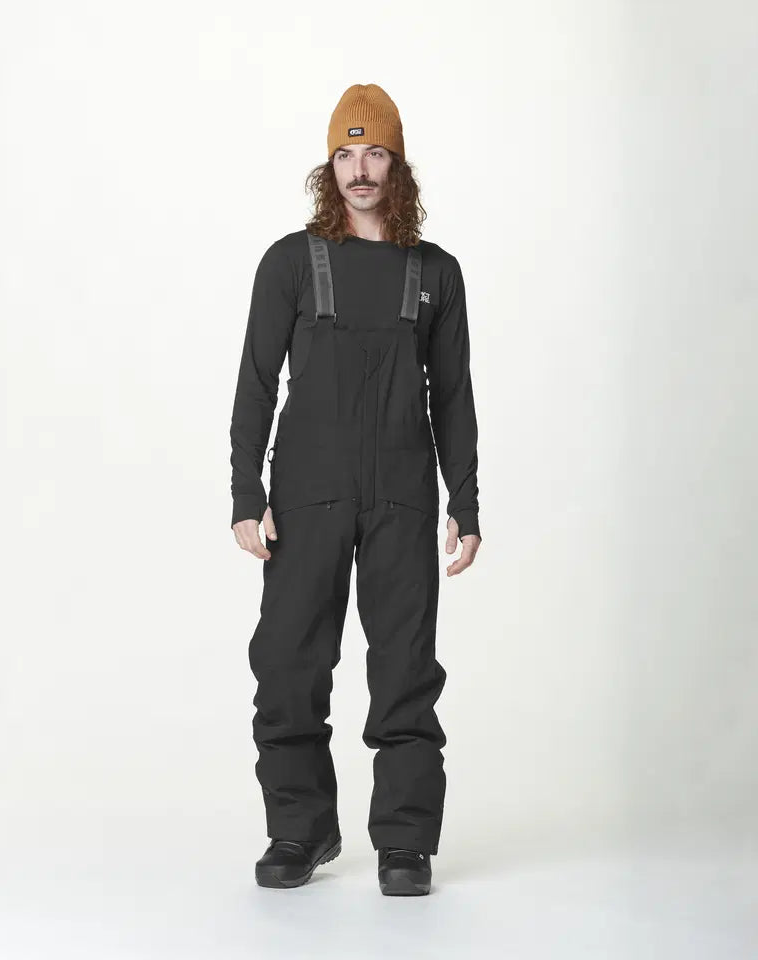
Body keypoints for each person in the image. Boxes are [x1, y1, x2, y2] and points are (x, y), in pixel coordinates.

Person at [229, 83, 481, 896]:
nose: (359, 169)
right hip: (306, 495)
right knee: (288, 663)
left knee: (405, 668)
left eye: (374, 153)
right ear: (328, 166)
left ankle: (405, 841)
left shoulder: (435, 273)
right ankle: (300, 829)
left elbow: (454, 396)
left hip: (402, 495)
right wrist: (245, 492)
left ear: (397, 165)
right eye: (345, 153)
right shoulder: (290, 263)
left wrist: (465, 502)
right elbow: (256, 383)